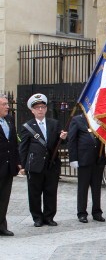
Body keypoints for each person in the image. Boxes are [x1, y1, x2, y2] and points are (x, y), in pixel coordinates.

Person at [19, 94, 67, 227]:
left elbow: (61, 141)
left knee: (51, 191)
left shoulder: (54, 123)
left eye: (42, 107)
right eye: (37, 108)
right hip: (35, 165)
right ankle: (37, 218)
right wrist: (23, 166)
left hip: (51, 164)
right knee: (34, 193)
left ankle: (49, 217)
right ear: (32, 110)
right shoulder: (28, 126)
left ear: (46, 109)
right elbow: (23, 148)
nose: (40, 110)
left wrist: (63, 137)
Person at [68, 114, 106, 223]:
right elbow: (72, 140)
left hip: (98, 159)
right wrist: (73, 159)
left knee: (97, 188)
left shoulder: (100, 119)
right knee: (83, 188)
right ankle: (82, 213)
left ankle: (97, 212)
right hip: (84, 159)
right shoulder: (77, 119)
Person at [0, 95, 20, 236]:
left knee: (4, 198)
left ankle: (2, 225)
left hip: (8, 166)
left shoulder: (9, 120)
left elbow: (13, 143)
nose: (8, 106)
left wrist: (18, 162)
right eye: (4, 104)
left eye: (7, 104)